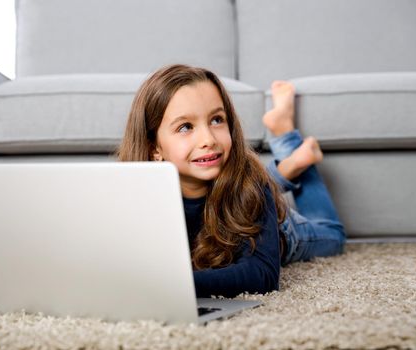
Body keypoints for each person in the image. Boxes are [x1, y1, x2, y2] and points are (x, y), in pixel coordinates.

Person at [117, 64, 345, 298]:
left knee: (333, 235)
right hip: (241, 197)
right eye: (185, 127)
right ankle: (287, 167)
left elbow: (263, 274)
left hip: (280, 230)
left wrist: (177, 285)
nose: (208, 139)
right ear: (153, 148)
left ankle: (289, 142)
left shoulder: (250, 182)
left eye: (217, 120)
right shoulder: (136, 195)